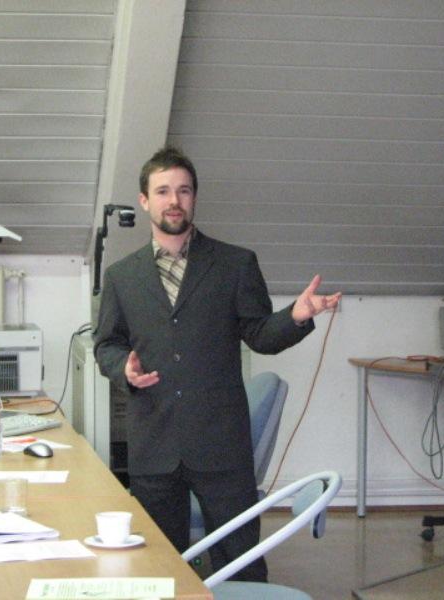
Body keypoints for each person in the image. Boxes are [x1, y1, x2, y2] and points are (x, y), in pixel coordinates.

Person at [93, 146, 340, 582]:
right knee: (159, 570)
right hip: (154, 444)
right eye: (163, 191)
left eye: (184, 191)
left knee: (241, 564)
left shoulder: (234, 264)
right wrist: (123, 369)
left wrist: (297, 316)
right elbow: (106, 345)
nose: (174, 201)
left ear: (194, 198)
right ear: (145, 201)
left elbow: (261, 335)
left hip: (221, 444)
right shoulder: (121, 276)